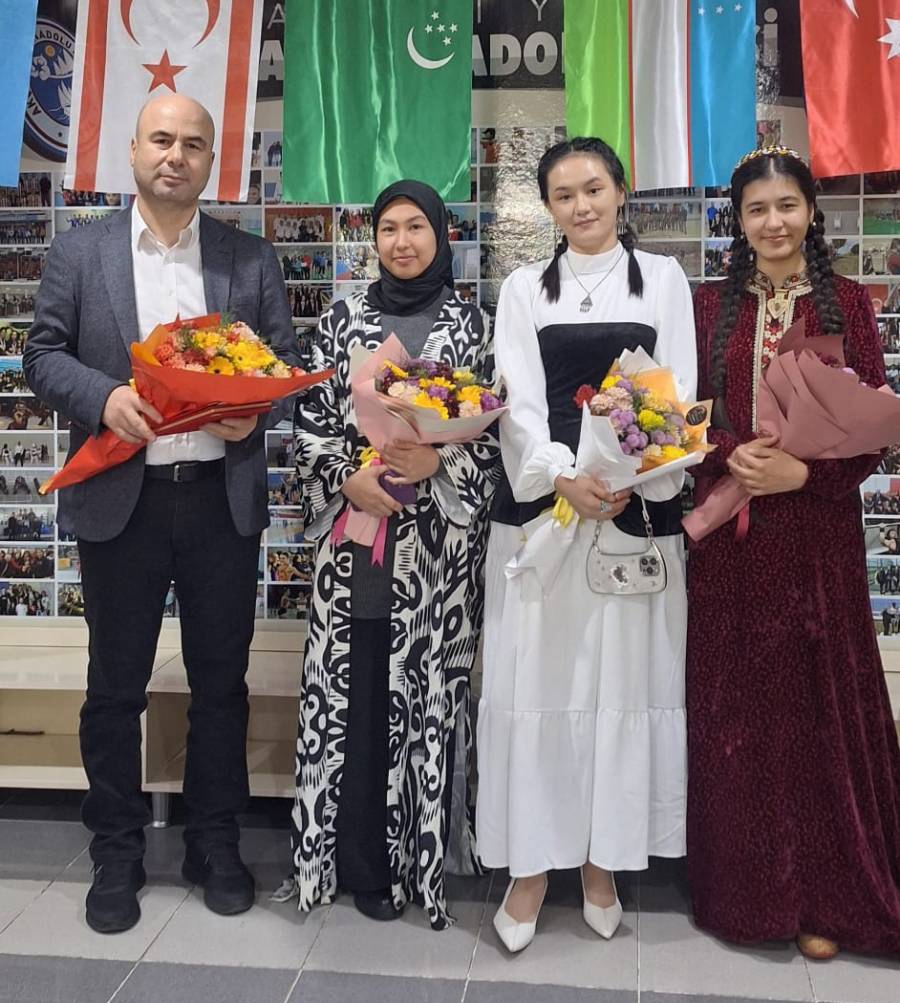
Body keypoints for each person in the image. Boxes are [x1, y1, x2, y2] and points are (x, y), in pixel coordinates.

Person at [24, 93, 301, 935]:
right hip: (123, 500)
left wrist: (255, 410)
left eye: (193, 143)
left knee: (222, 685)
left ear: (212, 160)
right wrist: (104, 396)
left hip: (220, 500)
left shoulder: (249, 257)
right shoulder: (80, 252)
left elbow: (284, 366)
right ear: (134, 151)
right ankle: (116, 849)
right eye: (162, 139)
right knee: (114, 689)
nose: (176, 155)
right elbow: (41, 355)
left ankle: (215, 842)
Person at [477, 136, 696, 952]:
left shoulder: (663, 280)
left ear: (621, 191)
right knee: (538, 685)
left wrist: (630, 473)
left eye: (594, 188)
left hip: (633, 513)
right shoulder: (523, 288)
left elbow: (677, 393)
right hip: (547, 513)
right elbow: (518, 404)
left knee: (618, 688)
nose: (581, 205)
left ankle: (604, 861)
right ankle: (531, 868)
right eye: (564, 194)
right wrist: (565, 476)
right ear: (548, 205)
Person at [688, 147, 900, 960]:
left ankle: (822, 894)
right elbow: (686, 414)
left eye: (786, 205)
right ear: (737, 221)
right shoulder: (710, 305)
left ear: (811, 211)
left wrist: (804, 472)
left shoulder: (847, 302)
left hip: (816, 539)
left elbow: (873, 425)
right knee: (737, 710)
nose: (772, 222)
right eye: (756, 209)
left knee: (815, 710)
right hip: (731, 537)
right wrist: (729, 455)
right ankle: (744, 889)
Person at [288, 179, 499, 928]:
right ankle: (356, 864)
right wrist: (346, 478)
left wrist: (440, 462)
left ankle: (419, 860)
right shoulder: (341, 318)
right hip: (356, 544)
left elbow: (496, 437)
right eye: (388, 228)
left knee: (423, 697)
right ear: (372, 239)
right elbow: (309, 419)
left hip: (436, 557)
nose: (402, 241)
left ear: (442, 235)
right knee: (358, 696)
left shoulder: (474, 326)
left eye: (416, 227)